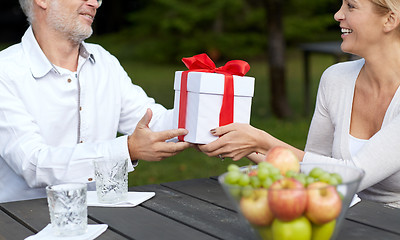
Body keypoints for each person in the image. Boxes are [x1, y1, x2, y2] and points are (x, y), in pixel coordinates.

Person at [200, 0, 400, 207]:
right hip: (342, 218)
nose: (337, 15)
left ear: (390, 19)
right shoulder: (336, 78)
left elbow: (353, 175)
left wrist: (262, 141)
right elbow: (309, 167)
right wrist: (237, 142)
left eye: (351, 6)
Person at [0, 0, 190, 203]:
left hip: (102, 216)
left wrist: (202, 124)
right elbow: (33, 165)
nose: (94, 3)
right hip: (22, 223)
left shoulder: (103, 60)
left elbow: (152, 120)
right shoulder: (5, 72)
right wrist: (126, 149)